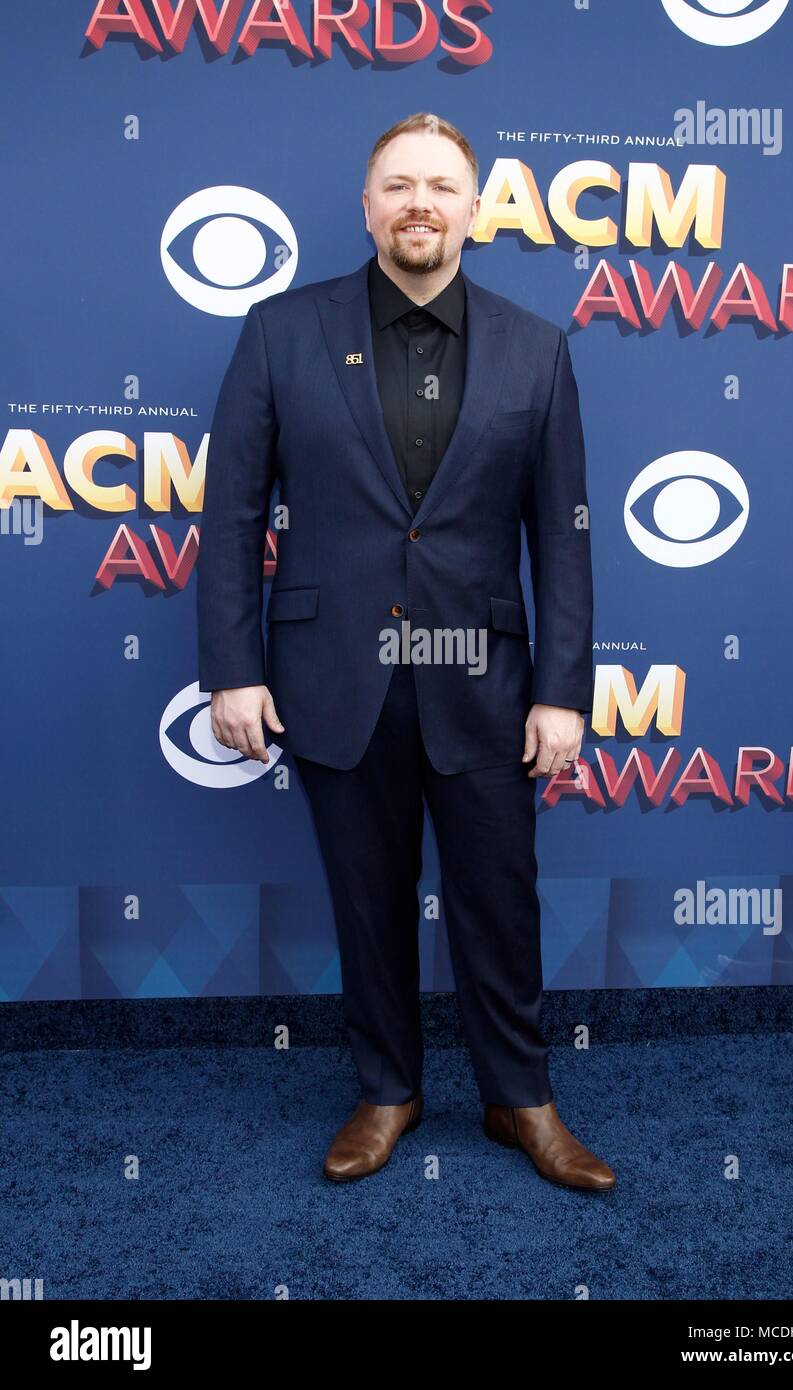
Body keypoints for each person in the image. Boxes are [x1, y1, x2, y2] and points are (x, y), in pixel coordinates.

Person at [197, 111, 614, 1192]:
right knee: (365, 897)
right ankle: (387, 1088)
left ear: (475, 211)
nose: (418, 202)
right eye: (397, 185)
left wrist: (561, 690)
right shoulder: (280, 330)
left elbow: (561, 535)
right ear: (366, 205)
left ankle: (519, 1097)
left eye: (440, 185)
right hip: (334, 675)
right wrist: (234, 670)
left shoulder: (537, 346)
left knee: (498, 894)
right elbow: (233, 516)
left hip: (486, 679)